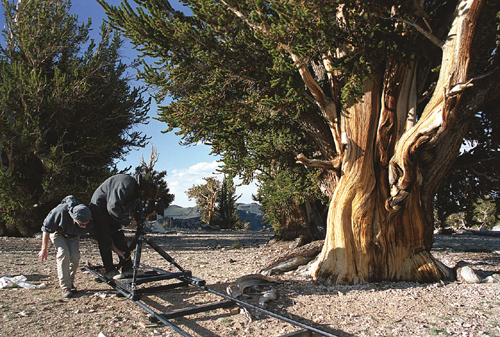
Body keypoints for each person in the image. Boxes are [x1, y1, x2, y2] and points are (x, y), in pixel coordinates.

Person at [89, 174, 158, 280]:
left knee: (120, 240)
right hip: (99, 211)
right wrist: (127, 221)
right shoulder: (126, 184)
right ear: (143, 192)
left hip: (112, 213)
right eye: (145, 198)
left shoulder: (134, 189)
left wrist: (145, 214)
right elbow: (112, 206)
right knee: (105, 241)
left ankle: (127, 269)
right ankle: (110, 271)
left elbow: (130, 207)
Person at [38, 195, 94, 299]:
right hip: (58, 233)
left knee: (75, 256)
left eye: (86, 224)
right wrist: (43, 249)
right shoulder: (60, 212)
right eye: (82, 224)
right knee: (63, 253)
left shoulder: (88, 216)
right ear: (74, 218)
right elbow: (46, 229)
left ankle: (70, 283)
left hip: (73, 236)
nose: (85, 227)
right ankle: (65, 287)